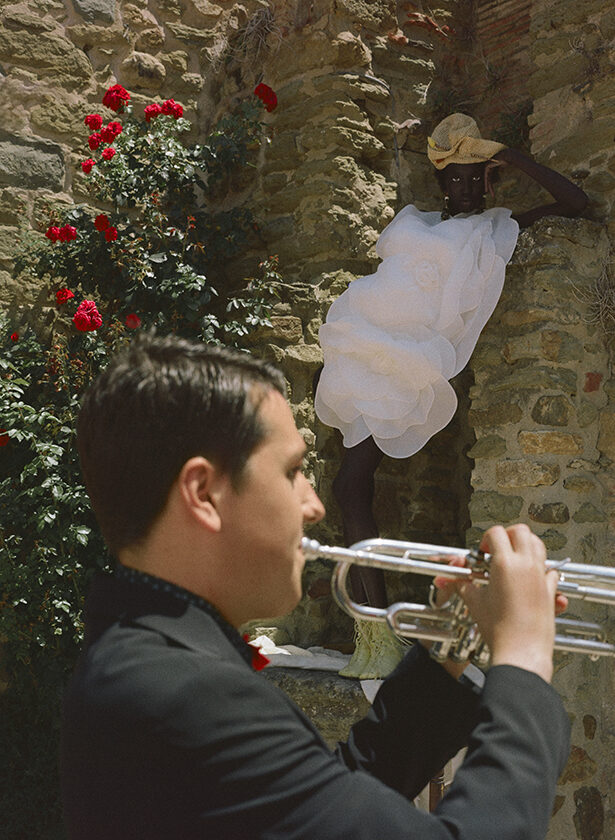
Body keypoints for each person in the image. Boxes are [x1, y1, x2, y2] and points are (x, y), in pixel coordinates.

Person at [61, 332, 570, 840]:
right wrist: (524, 661)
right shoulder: (183, 692)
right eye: (293, 471)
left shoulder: (149, 661)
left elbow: (336, 802)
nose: (315, 506)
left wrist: (449, 643)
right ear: (204, 493)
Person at [314, 113, 588, 677]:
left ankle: (377, 628)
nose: (462, 188)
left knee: (350, 484)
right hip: (365, 343)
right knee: (349, 485)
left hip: (405, 357)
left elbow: (574, 202)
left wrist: (509, 155)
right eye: (453, 179)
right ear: (441, 183)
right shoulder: (416, 221)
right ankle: (373, 631)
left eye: (472, 177)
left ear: (487, 181)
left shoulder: (497, 227)